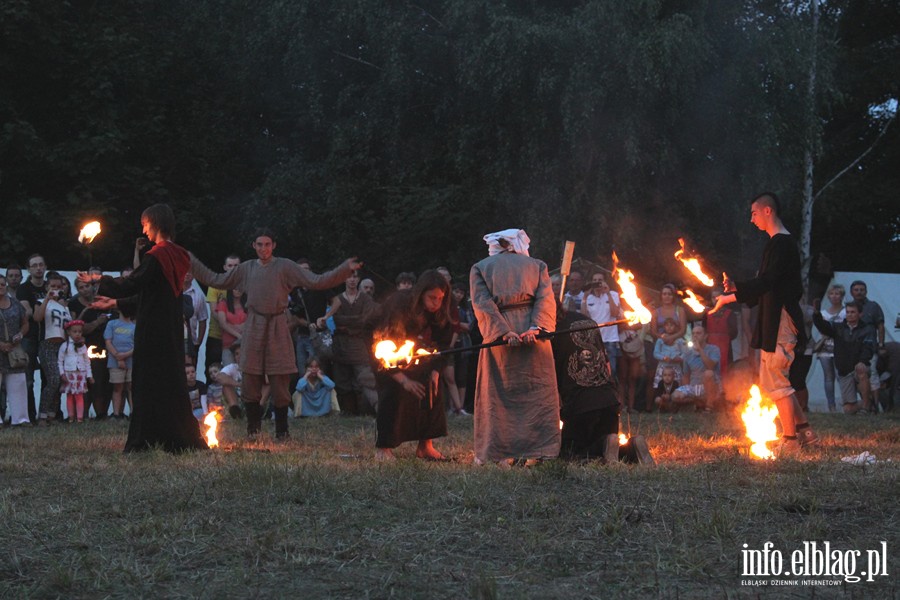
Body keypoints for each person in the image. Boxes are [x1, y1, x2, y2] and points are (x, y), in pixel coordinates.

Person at [190, 228, 360, 439]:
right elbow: (215, 279)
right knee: (250, 376)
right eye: (259, 244)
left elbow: (316, 281)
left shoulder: (285, 266)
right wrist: (190, 261)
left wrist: (344, 270)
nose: (263, 249)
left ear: (274, 245)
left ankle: (282, 431)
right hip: (254, 324)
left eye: (267, 244)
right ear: (254, 246)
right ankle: (253, 430)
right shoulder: (246, 268)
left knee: (280, 377)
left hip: (278, 324)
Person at [84, 203, 207, 452]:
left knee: (147, 382)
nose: (144, 229)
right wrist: (115, 302)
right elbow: (153, 294)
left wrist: (99, 279)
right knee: (171, 382)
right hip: (170, 331)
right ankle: (175, 435)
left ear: (155, 222)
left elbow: (133, 283)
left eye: (145, 224)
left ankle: (146, 439)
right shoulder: (180, 254)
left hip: (152, 331)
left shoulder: (157, 256)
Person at [711, 192, 817, 454]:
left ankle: (790, 442)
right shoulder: (776, 243)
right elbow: (768, 284)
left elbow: (768, 282)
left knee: (776, 382)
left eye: (754, 213)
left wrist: (729, 298)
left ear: (768, 211)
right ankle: (806, 434)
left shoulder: (782, 243)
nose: (751, 219)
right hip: (775, 318)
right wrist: (738, 288)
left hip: (781, 320)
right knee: (777, 380)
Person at [470, 229, 559, 465]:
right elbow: (545, 300)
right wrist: (536, 328)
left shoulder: (480, 267)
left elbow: (482, 304)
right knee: (536, 393)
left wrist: (502, 331)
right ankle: (540, 450)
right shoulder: (537, 265)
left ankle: (499, 452)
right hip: (533, 337)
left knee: (499, 395)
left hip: (500, 339)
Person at [374, 270, 454, 461]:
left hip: (417, 353)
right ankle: (383, 448)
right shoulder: (399, 305)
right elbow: (382, 345)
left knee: (432, 389)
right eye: (432, 297)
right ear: (421, 295)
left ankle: (426, 446)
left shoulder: (440, 311)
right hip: (386, 348)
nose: (436, 303)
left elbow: (443, 343)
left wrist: (435, 370)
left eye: (440, 298)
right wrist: (403, 380)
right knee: (392, 394)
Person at [551, 303, 619, 461]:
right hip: (609, 401)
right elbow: (606, 365)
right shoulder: (586, 320)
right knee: (606, 455)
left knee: (570, 454)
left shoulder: (548, 332)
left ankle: (604, 443)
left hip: (581, 406)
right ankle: (632, 447)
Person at [320, 270, 380, 416]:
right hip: (340, 344)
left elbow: (364, 320)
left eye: (354, 277)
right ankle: (348, 412)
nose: (352, 280)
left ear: (358, 279)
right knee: (342, 380)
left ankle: (364, 410)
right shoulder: (338, 299)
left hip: (359, 343)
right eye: (349, 277)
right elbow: (336, 319)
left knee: (364, 380)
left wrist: (348, 321)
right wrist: (353, 320)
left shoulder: (365, 299)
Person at [812, 301, 877, 413]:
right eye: (848, 312)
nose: (850, 314)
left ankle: (866, 406)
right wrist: (817, 314)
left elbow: (869, 347)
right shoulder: (838, 328)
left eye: (853, 312)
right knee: (848, 409)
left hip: (859, 366)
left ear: (860, 314)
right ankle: (869, 404)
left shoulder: (867, 329)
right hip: (844, 370)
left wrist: (862, 361)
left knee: (861, 370)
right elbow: (823, 327)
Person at [69, 277, 112, 419]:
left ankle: (101, 414)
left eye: (86, 286)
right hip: (84, 349)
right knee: (86, 383)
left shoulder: (104, 301)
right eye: (81, 287)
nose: (84, 289)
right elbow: (78, 327)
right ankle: (84, 414)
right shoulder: (74, 304)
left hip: (105, 346)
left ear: (92, 286)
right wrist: (97, 322)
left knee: (103, 382)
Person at [34, 271, 71, 424]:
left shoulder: (65, 307)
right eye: (52, 286)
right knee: (53, 379)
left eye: (58, 286)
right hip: (47, 344)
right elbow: (37, 318)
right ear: (47, 287)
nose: (56, 289)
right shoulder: (42, 301)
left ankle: (52, 413)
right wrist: (47, 299)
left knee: (60, 381)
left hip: (62, 346)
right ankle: (42, 414)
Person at [17, 254, 49, 423]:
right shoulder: (23, 288)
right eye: (34, 265)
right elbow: (26, 312)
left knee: (49, 378)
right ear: (29, 269)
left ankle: (48, 414)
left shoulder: (50, 286)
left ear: (45, 267)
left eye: (41, 264)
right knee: (27, 379)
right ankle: (29, 416)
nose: (38, 268)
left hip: (48, 337)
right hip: (29, 337)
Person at [0, 274, 30, 426]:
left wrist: (20, 334)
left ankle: (20, 419)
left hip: (14, 350)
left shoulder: (15, 303)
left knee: (18, 384)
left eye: (2, 284)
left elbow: (25, 323)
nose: (1, 287)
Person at [580, 271, 623, 375]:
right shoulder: (588, 297)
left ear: (605, 282)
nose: (597, 283)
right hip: (594, 339)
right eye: (594, 281)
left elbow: (615, 313)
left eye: (600, 280)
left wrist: (607, 293)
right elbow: (584, 318)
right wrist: (585, 297)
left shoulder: (613, 294)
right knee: (594, 370)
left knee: (611, 370)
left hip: (610, 339)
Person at [671, 323, 721, 411]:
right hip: (694, 386)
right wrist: (685, 391)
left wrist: (700, 350)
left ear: (705, 336)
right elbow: (686, 375)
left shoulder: (714, 349)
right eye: (693, 333)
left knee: (708, 373)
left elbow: (710, 366)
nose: (695, 336)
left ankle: (709, 405)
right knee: (675, 396)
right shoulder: (688, 352)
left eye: (698, 333)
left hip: (711, 386)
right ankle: (697, 402)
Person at [204, 254, 240, 372]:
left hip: (238, 336)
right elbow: (214, 312)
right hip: (217, 335)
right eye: (230, 265)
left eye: (236, 265)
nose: (233, 268)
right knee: (212, 370)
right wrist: (231, 327)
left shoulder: (244, 285)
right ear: (225, 267)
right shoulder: (216, 284)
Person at [814, 284, 845, 412]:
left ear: (842, 296)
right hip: (825, 348)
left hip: (840, 347)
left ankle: (847, 403)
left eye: (837, 293)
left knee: (841, 376)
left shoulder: (845, 311)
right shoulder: (822, 313)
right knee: (828, 377)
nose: (834, 296)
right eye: (832, 294)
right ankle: (831, 406)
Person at [104, 301, 136, 419]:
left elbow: (137, 346)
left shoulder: (134, 326)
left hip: (131, 361)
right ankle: (116, 413)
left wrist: (124, 356)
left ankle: (133, 413)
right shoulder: (112, 324)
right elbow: (108, 341)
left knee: (131, 386)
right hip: (114, 361)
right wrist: (118, 356)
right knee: (118, 387)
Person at [58, 320, 93, 423]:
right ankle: (71, 416)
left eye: (80, 332)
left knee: (79, 395)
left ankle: (80, 417)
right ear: (69, 332)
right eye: (75, 331)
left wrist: (89, 375)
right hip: (69, 374)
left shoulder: (83, 346)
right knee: (69, 395)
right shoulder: (65, 346)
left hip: (80, 374)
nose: (77, 334)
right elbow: (60, 361)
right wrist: (62, 373)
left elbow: (87, 362)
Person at [215, 287, 247, 366]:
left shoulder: (248, 303)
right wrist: (238, 335)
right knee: (229, 370)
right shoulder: (223, 303)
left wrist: (235, 326)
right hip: (228, 345)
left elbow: (251, 320)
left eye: (240, 288)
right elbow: (222, 323)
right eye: (235, 288)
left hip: (246, 345)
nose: (238, 290)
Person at [182, 272, 208, 366]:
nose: (187, 273)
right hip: (173, 341)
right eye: (185, 269)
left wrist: (198, 342)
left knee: (191, 372)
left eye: (190, 271)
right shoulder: (170, 292)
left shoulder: (199, 295)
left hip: (191, 342)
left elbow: (202, 320)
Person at [652, 318, 686, 387]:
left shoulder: (680, 340)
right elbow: (655, 353)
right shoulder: (660, 340)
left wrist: (680, 358)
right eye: (667, 325)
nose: (669, 327)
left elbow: (684, 353)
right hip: (663, 366)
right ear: (664, 327)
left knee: (677, 386)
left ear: (676, 327)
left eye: (671, 325)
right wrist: (663, 358)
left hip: (676, 367)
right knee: (661, 387)